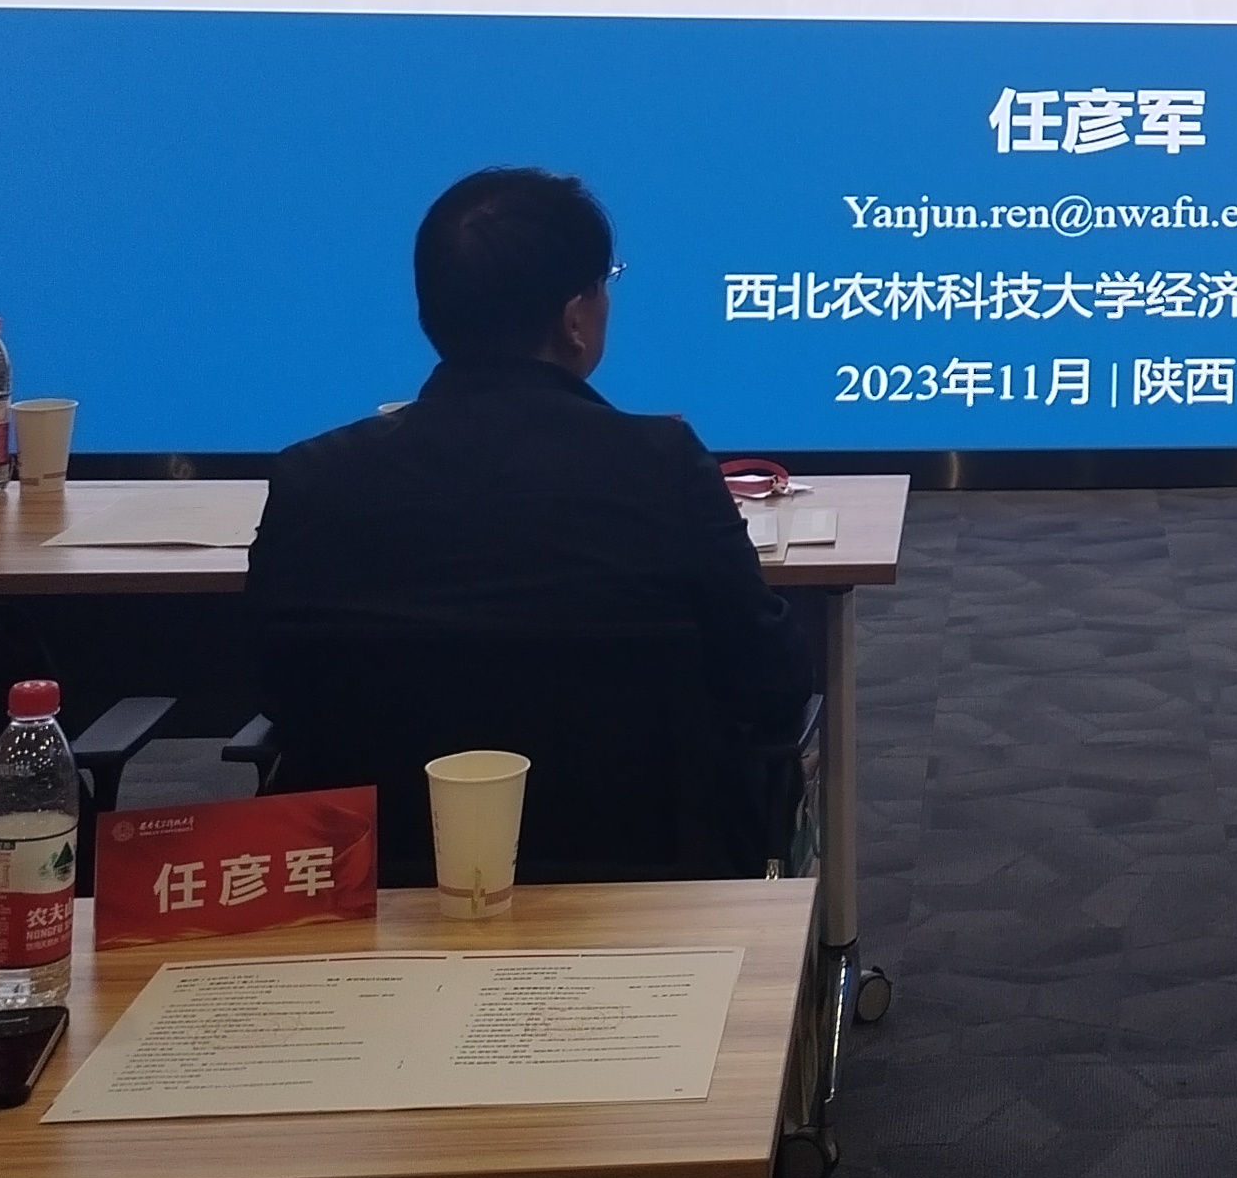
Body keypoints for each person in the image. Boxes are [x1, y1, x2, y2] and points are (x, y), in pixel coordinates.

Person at [250, 168, 816, 823]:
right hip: (645, 860)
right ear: (574, 319)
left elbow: (276, 688)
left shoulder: (311, 479)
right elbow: (772, 680)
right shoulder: (662, 468)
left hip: (382, 861)